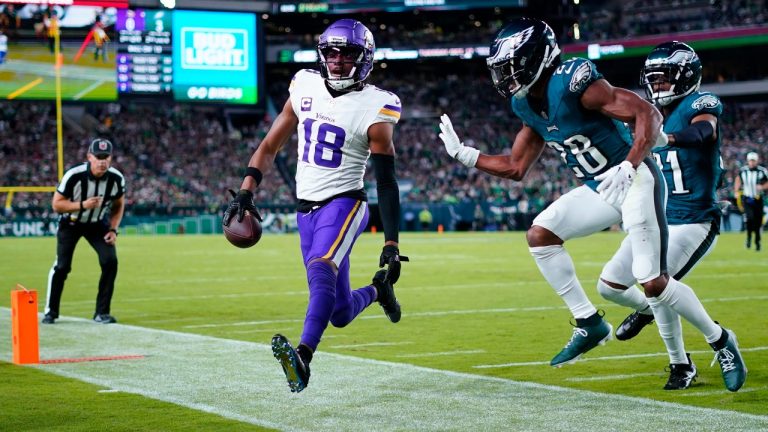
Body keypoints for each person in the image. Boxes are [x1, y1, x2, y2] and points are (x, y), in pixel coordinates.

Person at [438, 18, 746, 392]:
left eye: (512, 65)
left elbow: (647, 114)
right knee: (541, 234)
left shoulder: (574, 82)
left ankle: (719, 340)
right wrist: (467, 155)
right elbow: (516, 167)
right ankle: (588, 322)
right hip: (601, 188)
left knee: (653, 282)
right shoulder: (526, 105)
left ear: (536, 58)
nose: (507, 77)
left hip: (635, 181)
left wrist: (631, 163)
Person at [223, 19, 407, 393]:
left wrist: (391, 242)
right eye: (332, 52)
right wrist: (246, 189)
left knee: (321, 268)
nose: (338, 60)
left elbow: (386, 181)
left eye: (348, 53)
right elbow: (270, 145)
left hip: (345, 203)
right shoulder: (304, 84)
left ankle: (303, 358)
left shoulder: (377, 106)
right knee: (338, 312)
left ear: (365, 57)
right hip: (305, 210)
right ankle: (379, 291)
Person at [598, 41, 746, 391]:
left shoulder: (700, 102)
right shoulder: (645, 111)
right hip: (656, 218)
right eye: (654, 79)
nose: (658, 85)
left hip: (695, 218)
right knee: (609, 286)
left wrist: (668, 138)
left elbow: (704, 130)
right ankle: (647, 310)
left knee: (655, 285)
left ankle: (711, 345)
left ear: (686, 77)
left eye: (665, 78)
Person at [43, 138, 126, 324]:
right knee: (62, 266)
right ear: (90, 157)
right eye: (99, 157)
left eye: (106, 157)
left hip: (97, 224)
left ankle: (102, 312)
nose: (102, 161)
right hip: (71, 223)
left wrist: (113, 229)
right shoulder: (74, 175)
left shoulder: (116, 178)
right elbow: (56, 205)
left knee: (110, 261)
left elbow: (119, 204)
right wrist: (83, 205)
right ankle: (51, 311)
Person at [734, 152, 767, 251]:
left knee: (757, 222)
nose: (752, 163)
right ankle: (748, 238)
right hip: (747, 198)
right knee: (749, 218)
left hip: (758, 199)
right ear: (748, 161)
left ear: (756, 161)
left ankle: (757, 242)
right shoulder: (743, 170)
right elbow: (738, 180)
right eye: (750, 161)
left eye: (753, 161)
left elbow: (767, 183)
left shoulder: (762, 171)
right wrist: (736, 191)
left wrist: (762, 187)